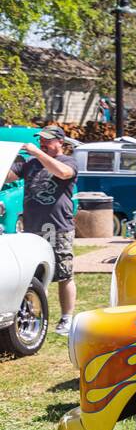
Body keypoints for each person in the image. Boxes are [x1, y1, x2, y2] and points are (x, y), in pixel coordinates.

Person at [3, 124, 78, 335]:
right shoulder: (30, 164)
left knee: (64, 274)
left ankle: (67, 319)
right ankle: (34, 313)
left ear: (60, 142)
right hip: (32, 229)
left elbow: (63, 173)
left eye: (47, 140)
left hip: (58, 228)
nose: (42, 144)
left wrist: (36, 152)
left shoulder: (67, 162)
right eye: (40, 141)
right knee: (32, 274)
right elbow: (7, 176)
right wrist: (8, 156)